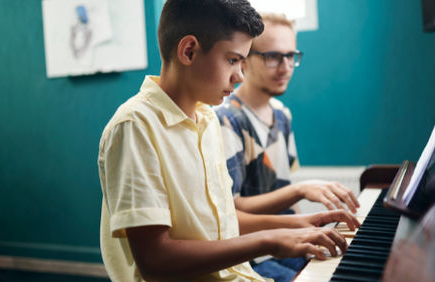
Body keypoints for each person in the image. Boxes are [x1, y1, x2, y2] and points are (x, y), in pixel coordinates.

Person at [98, 1, 360, 281]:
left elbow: (220, 224)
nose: (239, 75)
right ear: (189, 51)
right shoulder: (135, 127)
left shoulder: (208, 120)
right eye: (233, 60)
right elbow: (155, 260)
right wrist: (269, 241)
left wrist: (297, 224)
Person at [214, 13, 362, 280]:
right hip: (252, 257)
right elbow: (231, 210)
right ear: (245, 60)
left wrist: (305, 243)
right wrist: (299, 190)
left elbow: (285, 193)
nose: (285, 67)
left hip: (287, 243)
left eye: (291, 56)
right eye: (273, 56)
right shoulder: (227, 119)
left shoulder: (282, 115)